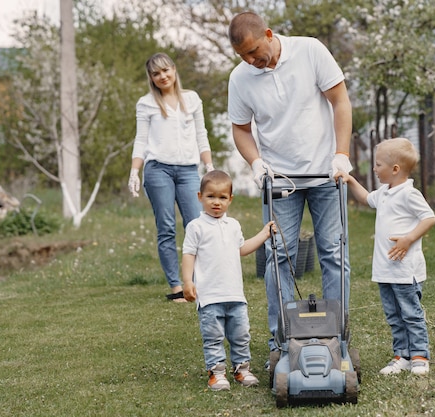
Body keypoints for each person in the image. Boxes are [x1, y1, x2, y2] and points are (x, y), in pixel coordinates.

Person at [227, 11, 354, 353]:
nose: (251, 60)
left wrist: (341, 155)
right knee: (279, 257)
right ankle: (280, 339)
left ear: (268, 34)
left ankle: (337, 335)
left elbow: (340, 101)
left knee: (334, 253)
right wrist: (256, 163)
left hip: (326, 174)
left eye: (254, 52)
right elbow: (240, 129)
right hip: (280, 179)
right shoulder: (240, 78)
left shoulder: (310, 50)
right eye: (243, 56)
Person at [336, 137, 435, 376]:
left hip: (405, 270)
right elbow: (365, 198)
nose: (374, 168)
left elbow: (429, 218)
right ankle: (401, 355)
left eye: (378, 164)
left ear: (395, 169)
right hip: (385, 270)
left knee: (411, 314)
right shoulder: (384, 193)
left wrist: (408, 238)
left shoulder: (409, 194)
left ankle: (420, 356)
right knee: (393, 316)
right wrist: (350, 179)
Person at [128, 52, 214, 303]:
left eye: (166, 70)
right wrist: (135, 171)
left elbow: (202, 134)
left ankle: (198, 282)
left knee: (196, 225)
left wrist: (209, 165)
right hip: (158, 171)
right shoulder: (146, 104)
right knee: (166, 227)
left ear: (174, 70)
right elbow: (141, 140)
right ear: (151, 78)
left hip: (188, 170)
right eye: (156, 73)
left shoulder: (192, 99)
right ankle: (177, 287)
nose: (162, 76)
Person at [181, 170, 276, 390]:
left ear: (230, 199)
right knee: (213, 337)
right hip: (210, 296)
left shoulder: (233, 225)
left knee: (241, 334)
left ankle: (242, 369)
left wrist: (263, 234)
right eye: (211, 196)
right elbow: (188, 255)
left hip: (235, 294)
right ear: (200, 197)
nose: (216, 202)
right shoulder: (196, 227)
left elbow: (241, 249)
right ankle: (216, 372)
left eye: (222, 197)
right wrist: (187, 281)